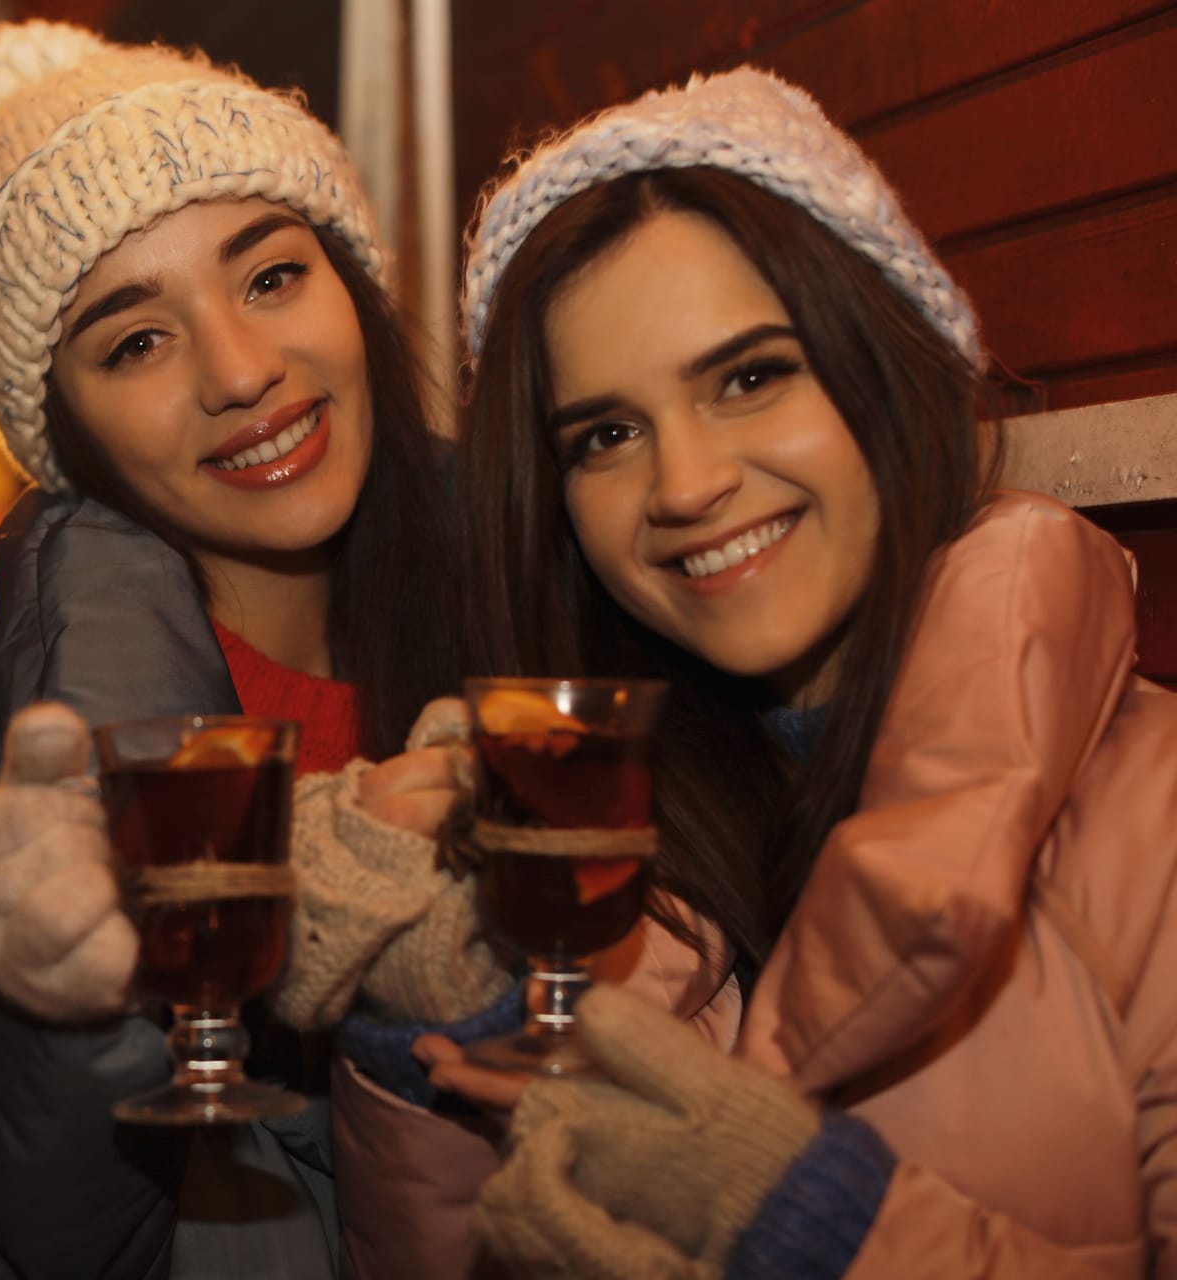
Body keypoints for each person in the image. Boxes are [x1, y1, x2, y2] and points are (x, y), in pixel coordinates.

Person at [411, 67, 1177, 1278]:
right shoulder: (571, 864)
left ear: (887, 363)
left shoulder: (1156, 820)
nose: (682, 483)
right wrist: (420, 989)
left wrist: (819, 1224)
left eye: (750, 375)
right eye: (607, 434)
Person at [0, 21, 472, 1279]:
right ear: (66, 427)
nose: (241, 371)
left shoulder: (543, 619)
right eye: (135, 341)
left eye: (272, 275)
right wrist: (62, 1008)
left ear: (354, 282)